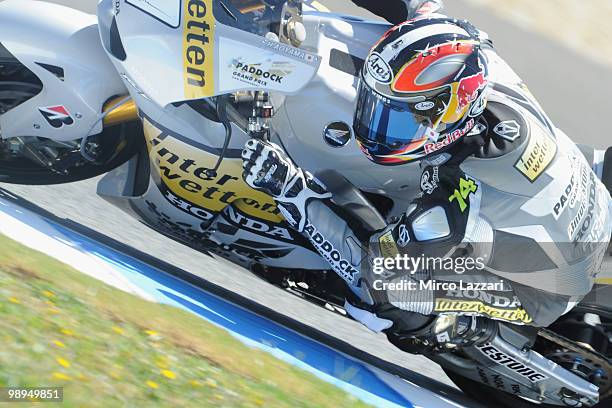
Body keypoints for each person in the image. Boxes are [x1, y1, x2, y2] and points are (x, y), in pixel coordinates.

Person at [241, 0, 612, 353]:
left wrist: (288, 189)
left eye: (398, 120)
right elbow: (418, 7)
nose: (375, 128)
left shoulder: (457, 194)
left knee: (382, 297)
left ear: (446, 117)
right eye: (376, 107)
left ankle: (455, 328)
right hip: (575, 188)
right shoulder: (463, 50)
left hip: (556, 277)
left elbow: (381, 263)